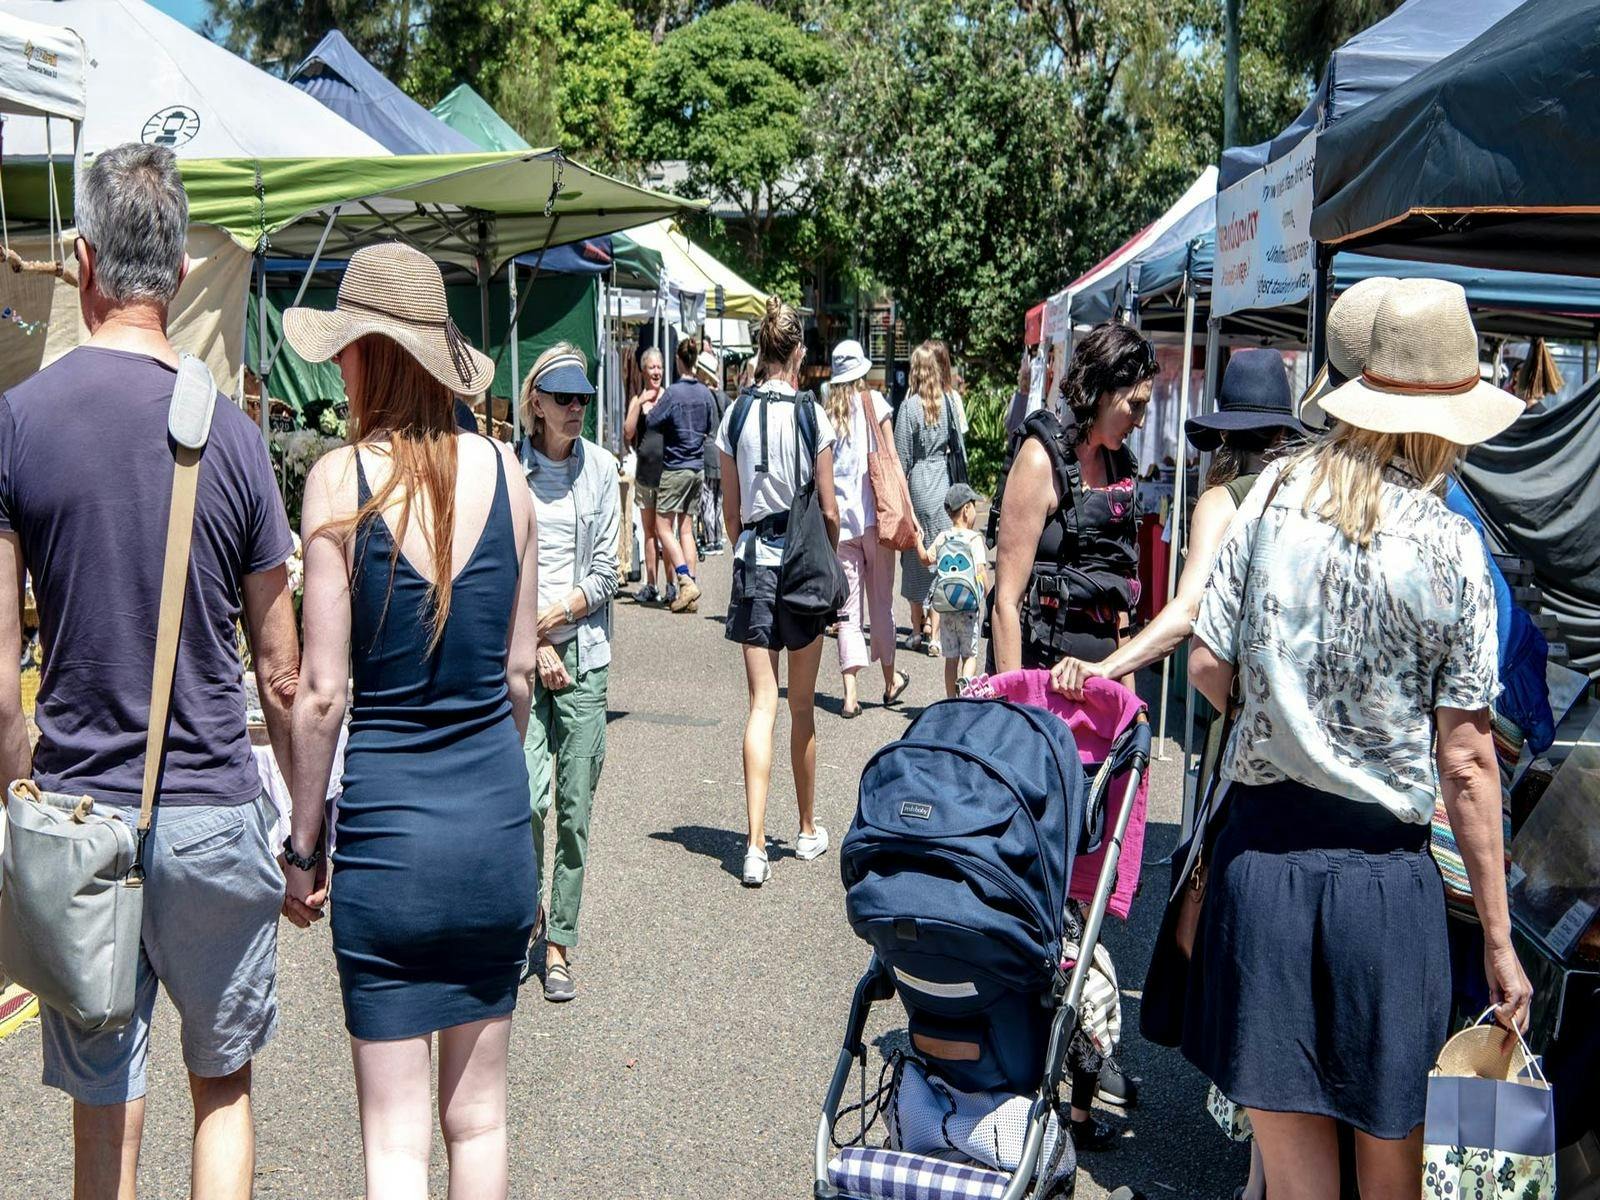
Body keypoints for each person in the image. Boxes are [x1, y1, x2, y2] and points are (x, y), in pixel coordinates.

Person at [1185, 278, 1533, 1200]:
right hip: (1386, 890)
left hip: (1262, 872)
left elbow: (1207, 669)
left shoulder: (1267, 499)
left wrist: (1289, 721)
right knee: (1393, 1185)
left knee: (1295, 1190)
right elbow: (1466, 762)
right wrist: (1499, 941)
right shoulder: (1451, 545)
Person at [0, 143, 300, 1200]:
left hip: (82, 810)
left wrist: (17, 810)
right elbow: (280, 672)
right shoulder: (234, 437)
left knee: (104, 1106)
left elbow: (1, 678)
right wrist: (305, 833)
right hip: (215, 807)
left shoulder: (20, 422)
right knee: (220, 1085)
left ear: (81, 261)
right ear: (176, 272)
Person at [281, 243, 541, 1200]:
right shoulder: (509, 478)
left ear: (367, 355)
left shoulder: (337, 482)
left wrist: (304, 846)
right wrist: (481, 784)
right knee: (479, 1122)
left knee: (395, 1145)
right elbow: (518, 674)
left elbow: (321, 694)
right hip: (491, 834)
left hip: (388, 846)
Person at [1050, 348, 1304, 699]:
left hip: (1254, 705)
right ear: (1281, 434)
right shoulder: (1314, 494)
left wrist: (1106, 667)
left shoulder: (1222, 503)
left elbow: (1189, 611)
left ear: (1225, 436)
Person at [718, 297, 839, 887]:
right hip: (802, 566)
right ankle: (808, 826)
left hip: (754, 564)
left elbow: (731, 511)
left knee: (760, 705)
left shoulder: (734, 415)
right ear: (795, 354)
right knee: (801, 704)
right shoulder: (814, 416)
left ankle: (755, 844)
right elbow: (830, 506)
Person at [517, 344, 620, 1004]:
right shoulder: (509, 471)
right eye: (563, 398)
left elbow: (609, 573)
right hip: (524, 656)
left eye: (582, 397)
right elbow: (493, 567)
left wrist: (553, 621)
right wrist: (533, 637)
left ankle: (559, 944)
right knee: (525, 800)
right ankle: (525, 920)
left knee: (574, 813)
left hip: (582, 652)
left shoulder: (603, 470)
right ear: (536, 404)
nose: (576, 407)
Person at [992, 322, 1156, 674]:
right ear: (1102, 391)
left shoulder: (1120, 467)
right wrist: (1017, 714)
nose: (1140, 421)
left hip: (1099, 693)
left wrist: (1132, 712)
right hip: (1037, 684)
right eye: (1136, 405)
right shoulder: (1040, 461)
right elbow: (1006, 601)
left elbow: (1120, 608)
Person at [826, 338, 909, 718]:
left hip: (841, 525)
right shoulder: (875, 403)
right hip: (878, 518)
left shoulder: (825, 412)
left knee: (847, 610)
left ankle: (849, 694)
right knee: (881, 604)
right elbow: (892, 461)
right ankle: (890, 682)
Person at [896, 343, 962, 655]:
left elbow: (901, 457)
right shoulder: (947, 403)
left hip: (917, 483)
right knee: (940, 559)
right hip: (943, 485)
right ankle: (936, 635)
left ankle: (914, 629)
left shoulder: (908, 408)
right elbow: (958, 444)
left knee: (914, 559)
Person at [644, 337, 717, 613]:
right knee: (686, 528)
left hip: (675, 467)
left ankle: (685, 581)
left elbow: (652, 422)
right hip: (696, 467)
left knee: (663, 527)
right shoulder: (705, 393)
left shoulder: (673, 393)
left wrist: (652, 411)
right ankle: (691, 589)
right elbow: (711, 425)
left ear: (677, 360)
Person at [922, 483, 987, 696]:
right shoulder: (974, 539)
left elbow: (926, 559)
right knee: (969, 655)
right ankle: (966, 686)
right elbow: (980, 572)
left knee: (951, 659)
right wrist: (989, 595)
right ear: (967, 509)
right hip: (968, 608)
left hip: (946, 607)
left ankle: (950, 699)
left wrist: (916, 539)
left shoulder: (943, 537)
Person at [625, 347, 667, 603]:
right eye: (651, 367)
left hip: (667, 474)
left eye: (659, 367)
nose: (656, 371)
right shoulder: (636, 400)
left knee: (667, 531)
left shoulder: (668, 397)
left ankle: (673, 585)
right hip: (644, 474)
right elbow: (628, 432)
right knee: (649, 532)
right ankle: (651, 584)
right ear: (643, 371)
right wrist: (640, 402)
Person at [697, 348, 730, 556]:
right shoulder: (724, 397)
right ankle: (718, 537)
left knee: (708, 496)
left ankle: (710, 540)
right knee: (718, 498)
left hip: (707, 449)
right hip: (721, 449)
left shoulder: (705, 396)